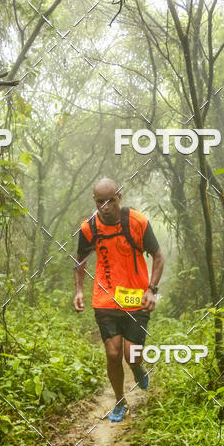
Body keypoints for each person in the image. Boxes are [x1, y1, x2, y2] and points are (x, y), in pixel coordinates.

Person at [73, 177, 165, 422]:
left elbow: (157, 256)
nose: (105, 206)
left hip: (136, 299)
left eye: (110, 201)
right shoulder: (88, 228)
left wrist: (151, 289)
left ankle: (136, 366)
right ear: (95, 201)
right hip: (105, 300)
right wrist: (79, 291)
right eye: (100, 202)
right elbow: (80, 261)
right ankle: (120, 402)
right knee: (113, 354)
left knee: (131, 355)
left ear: (119, 198)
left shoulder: (137, 222)